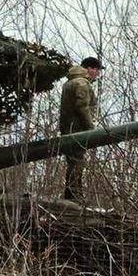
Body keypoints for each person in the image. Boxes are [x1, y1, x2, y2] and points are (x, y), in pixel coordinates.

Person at [59, 56, 104, 201]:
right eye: (96, 70)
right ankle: (73, 195)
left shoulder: (69, 82)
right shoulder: (82, 83)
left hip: (67, 127)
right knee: (77, 162)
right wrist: (91, 128)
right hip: (78, 128)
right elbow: (82, 107)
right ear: (90, 68)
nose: (97, 73)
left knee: (74, 161)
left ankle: (72, 193)